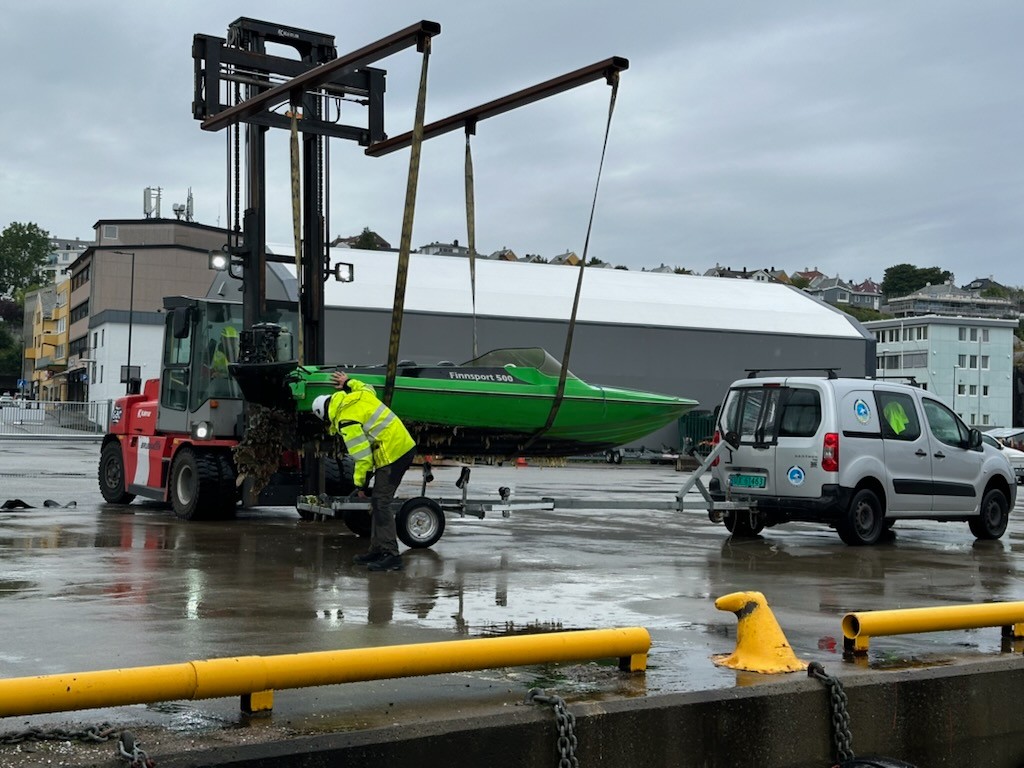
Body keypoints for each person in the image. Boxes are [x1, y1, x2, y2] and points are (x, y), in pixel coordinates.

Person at [311, 370, 416, 572]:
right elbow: (369, 389)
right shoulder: (356, 395)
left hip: (393, 453)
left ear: (326, 417)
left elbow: (363, 457)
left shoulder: (345, 421)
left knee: (381, 502)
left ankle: (391, 555)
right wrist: (348, 381)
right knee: (378, 501)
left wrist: (360, 484)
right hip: (400, 446)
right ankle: (378, 549)